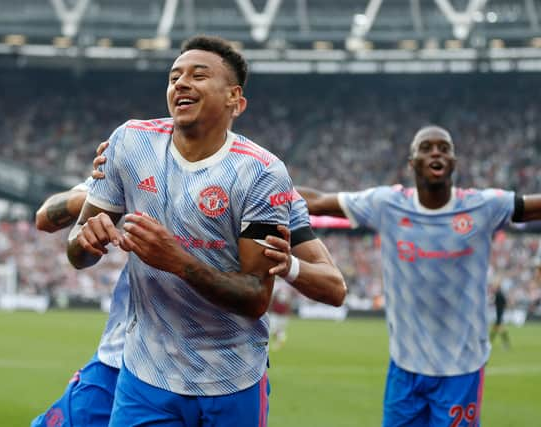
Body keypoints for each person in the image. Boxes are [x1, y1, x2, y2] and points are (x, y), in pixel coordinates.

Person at [62, 35, 345, 427]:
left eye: (198, 75)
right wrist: (85, 241)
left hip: (232, 377)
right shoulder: (131, 142)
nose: (181, 83)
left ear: (235, 99)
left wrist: (177, 261)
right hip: (146, 375)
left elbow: (254, 295)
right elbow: (76, 248)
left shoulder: (260, 173)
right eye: (174, 76)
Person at [298, 125, 541, 427]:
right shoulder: (387, 204)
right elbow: (319, 202)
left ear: (453, 162)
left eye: (444, 147)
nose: (436, 151)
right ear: (412, 163)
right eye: (426, 147)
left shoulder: (483, 205)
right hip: (405, 369)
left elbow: (533, 207)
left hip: (460, 370)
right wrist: (264, 191)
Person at [489, 282, 511, 349]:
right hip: (500, 314)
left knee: (498, 329)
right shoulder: (500, 294)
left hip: (499, 314)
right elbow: (505, 303)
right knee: (496, 329)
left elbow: (495, 303)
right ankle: (489, 342)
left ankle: (505, 344)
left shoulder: (498, 295)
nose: (493, 289)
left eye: (494, 287)